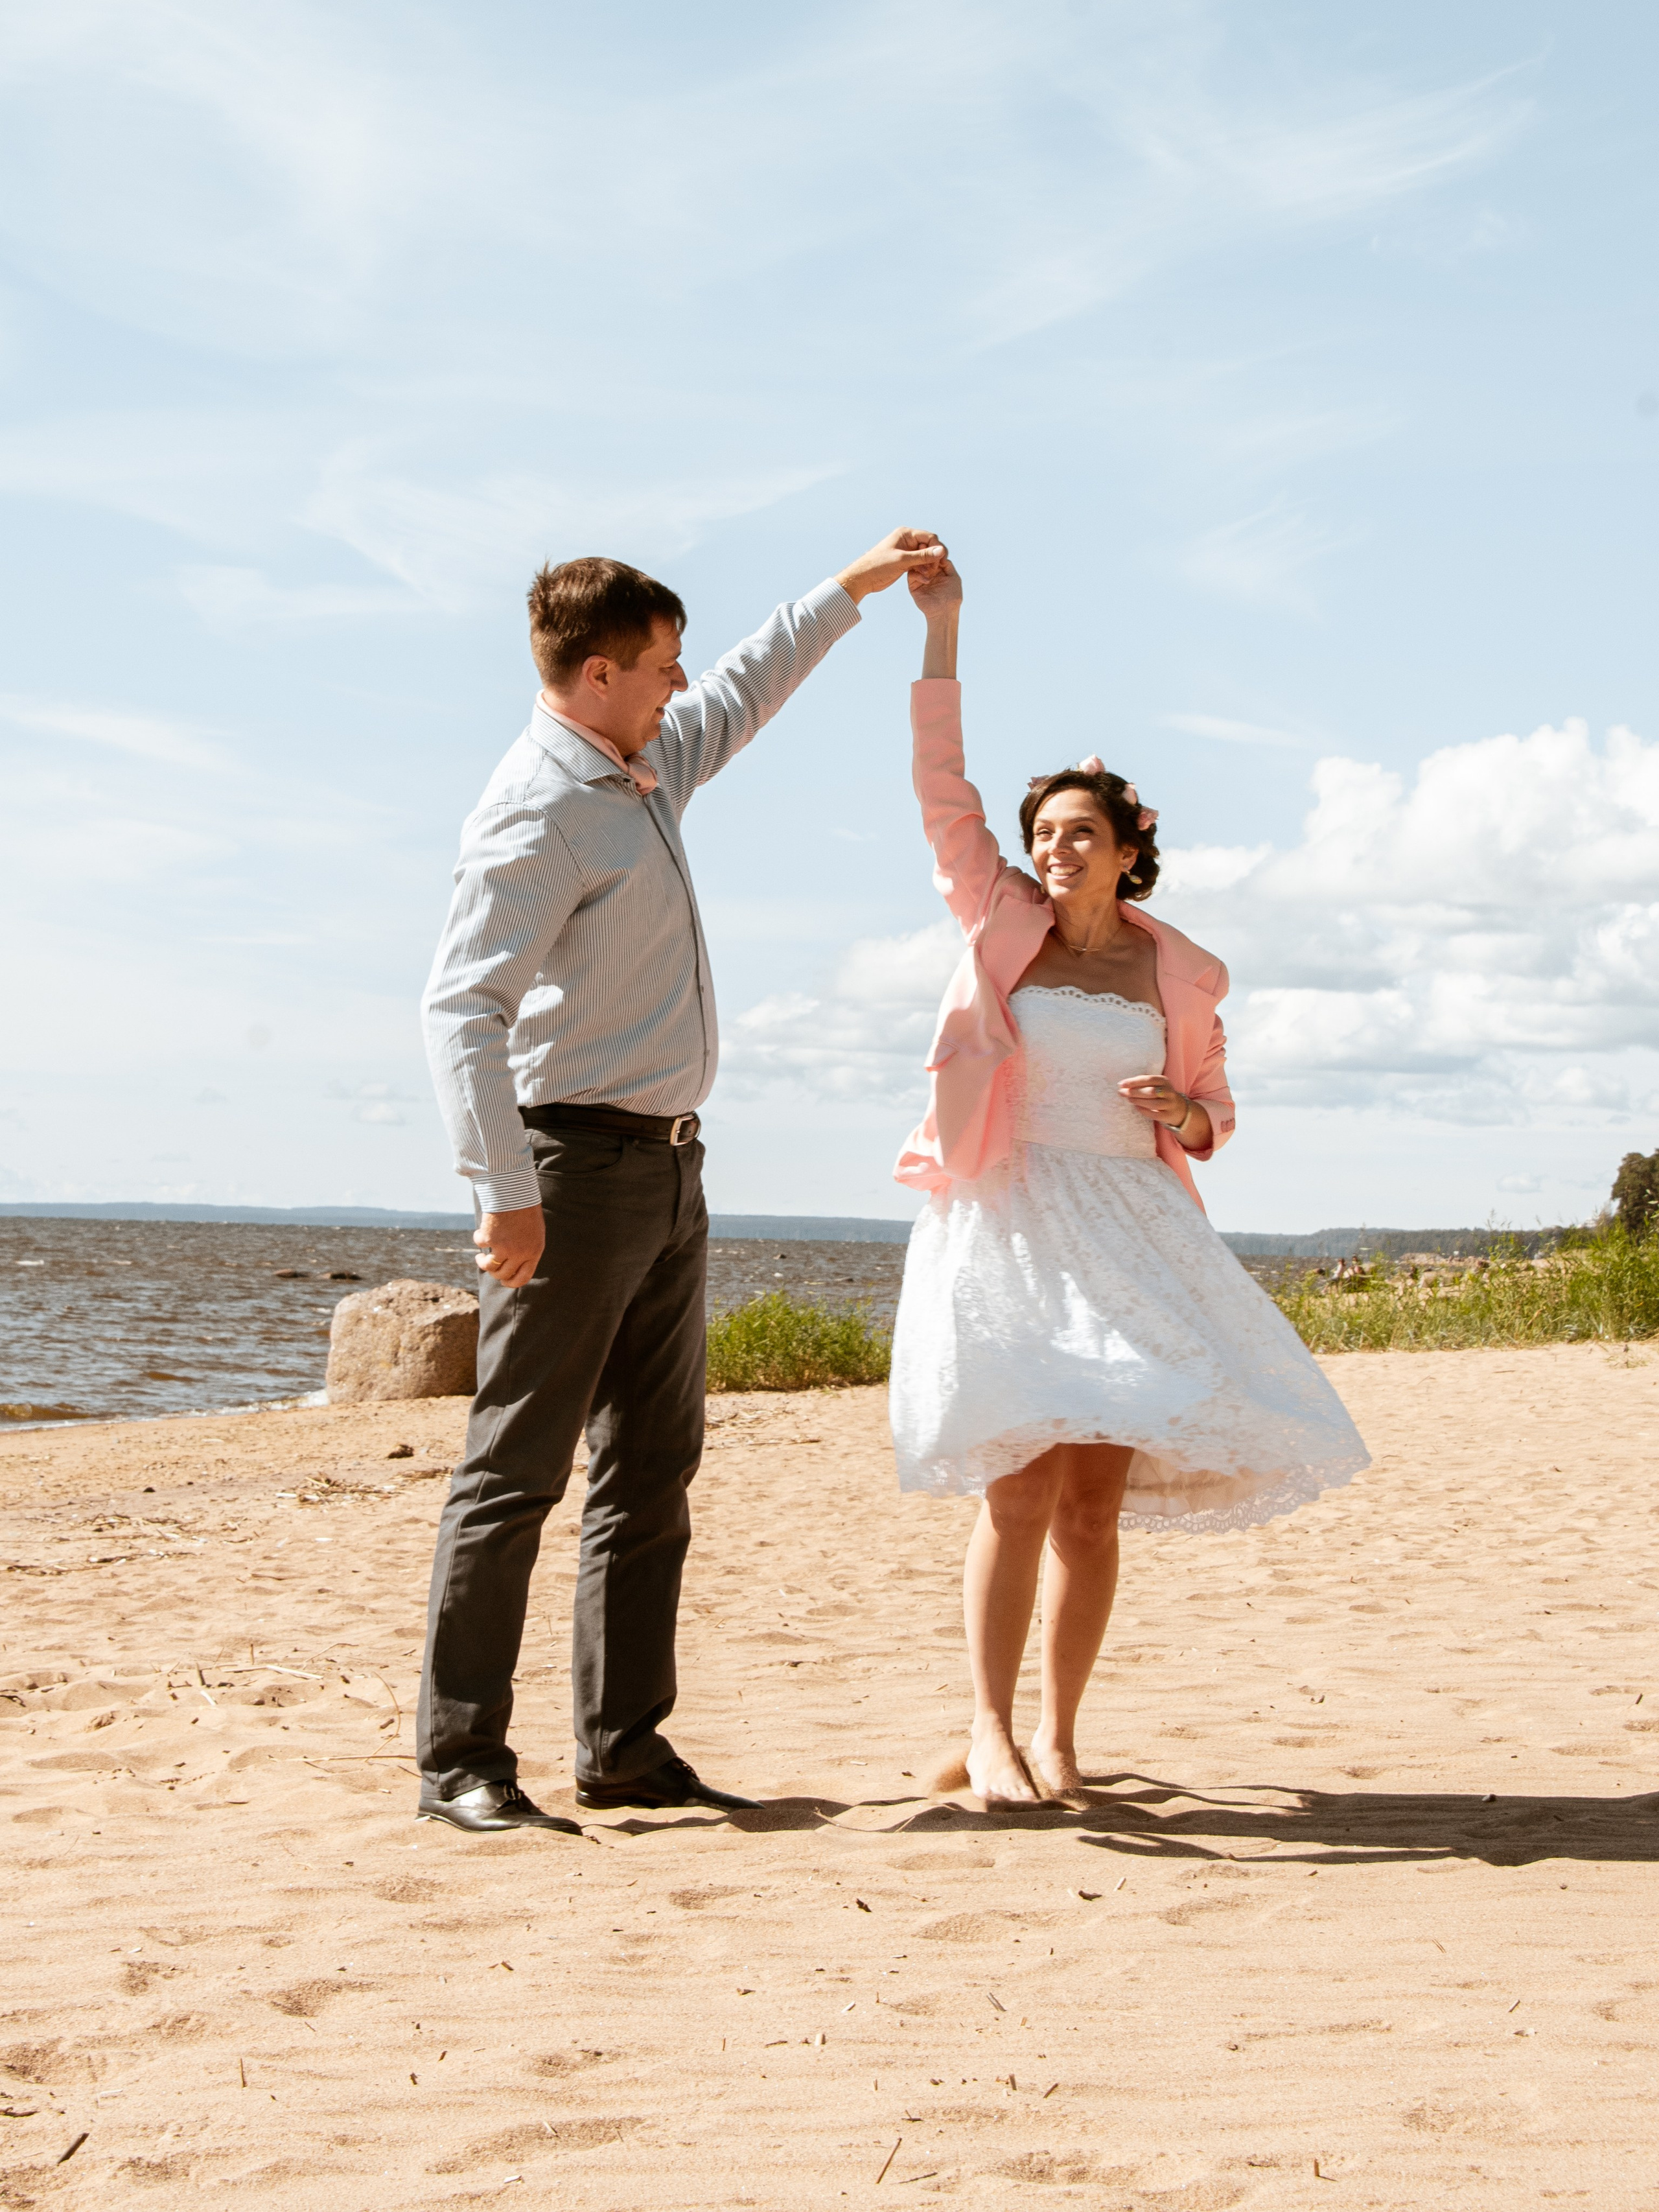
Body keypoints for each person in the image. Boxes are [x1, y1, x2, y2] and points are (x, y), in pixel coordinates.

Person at [418, 527, 945, 1834]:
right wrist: (506, 1193)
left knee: (652, 1468)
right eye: (659, 664)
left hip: (665, 1167)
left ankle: (624, 1746)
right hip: (569, 1169)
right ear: (595, 674)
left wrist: (855, 589)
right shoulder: (537, 810)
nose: (679, 682)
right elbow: (459, 1009)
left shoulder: (641, 766)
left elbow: (750, 688)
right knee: (514, 1474)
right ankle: (460, 1764)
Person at [887, 553, 1370, 1807]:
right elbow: (945, 789)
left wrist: (1184, 1112)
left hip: (1130, 1227)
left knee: (1092, 1505)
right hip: (1010, 1211)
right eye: (1042, 833)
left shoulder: (1181, 974)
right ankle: (987, 1732)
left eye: (1077, 834)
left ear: (1124, 852)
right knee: (1017, 1483)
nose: (1052, 849)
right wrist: (943, 633)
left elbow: (1216, 1113)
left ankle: (1059, 1737)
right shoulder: (999, 920)